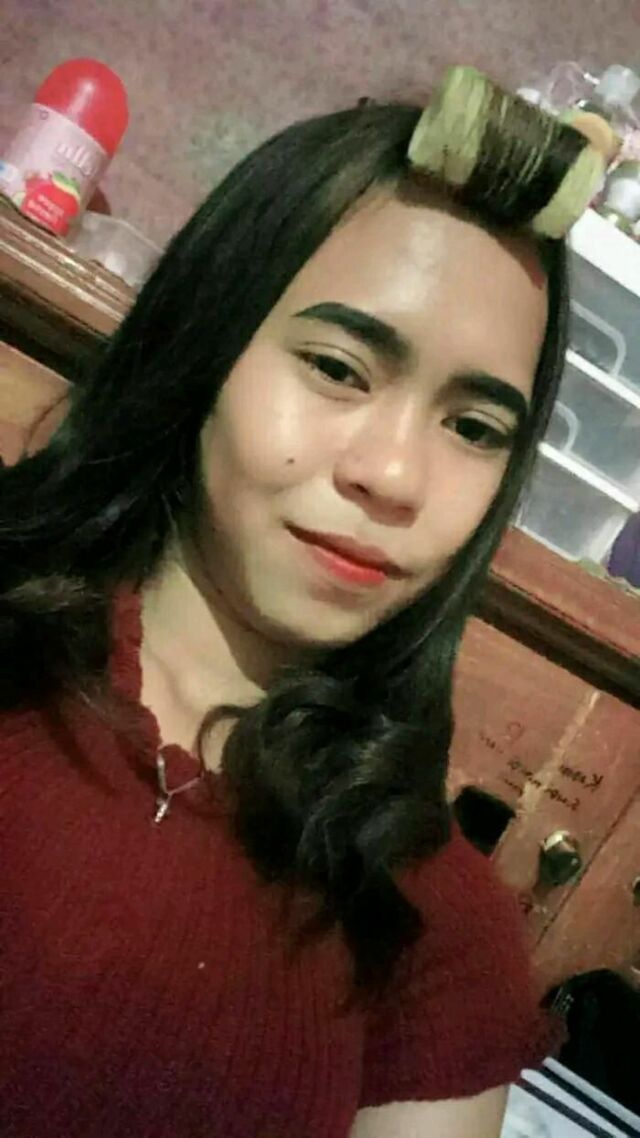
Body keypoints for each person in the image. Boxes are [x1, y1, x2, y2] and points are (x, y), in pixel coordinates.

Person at [0, 66, 611, 1137]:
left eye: (474, 428)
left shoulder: (433, 935)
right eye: (337, 367)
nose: (395, 476)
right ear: (208, 342)